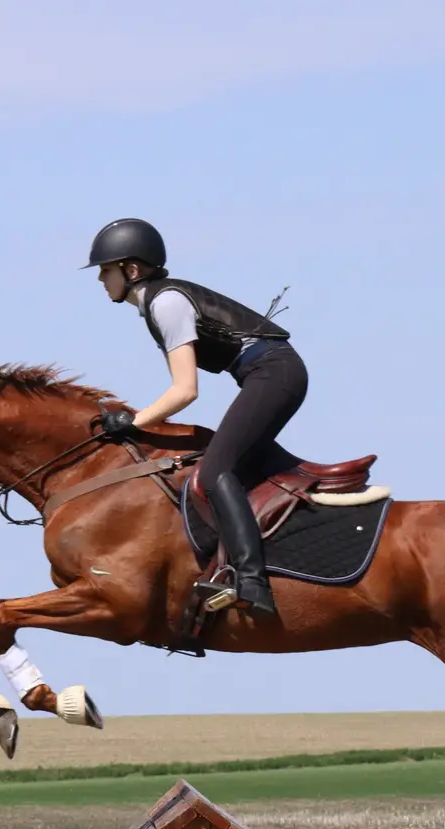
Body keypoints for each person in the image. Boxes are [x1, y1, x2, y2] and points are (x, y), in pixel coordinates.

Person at [85, 217, 302, 617]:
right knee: (227, 463)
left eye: (105, 268)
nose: (100, 278)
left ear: (131, 270)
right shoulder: (158, 302)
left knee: (216, 471)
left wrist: (134, 422)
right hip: (270, 373)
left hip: (274, 373)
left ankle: (252, 582)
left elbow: (185, 390)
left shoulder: (166, 303)